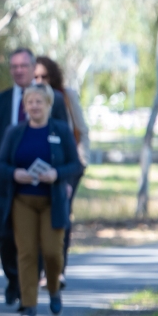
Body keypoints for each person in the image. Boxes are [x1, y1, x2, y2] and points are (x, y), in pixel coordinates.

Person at [0, 47, 69, 309]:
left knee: (38, 242)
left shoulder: (55, 101)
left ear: (33, 68)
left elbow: (66, 144)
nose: (19, 70)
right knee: (5, 235)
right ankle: (13, 279)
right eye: (14, 66)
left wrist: (66, 181)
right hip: (7, 180)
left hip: (46, 187)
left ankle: (27, 291)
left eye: (23, 66)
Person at [0, 83, 83, 316]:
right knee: (27, 253)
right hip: (23, 200)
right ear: (25, 106)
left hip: (52, 200)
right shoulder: (15, 132)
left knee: (53, 252)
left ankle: (53, 287)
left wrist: (57, 174)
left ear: (48, 105)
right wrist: (15, 173)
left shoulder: (61, 131)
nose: (34, 106)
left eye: (38, 102)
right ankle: (29, 305)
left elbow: (76, 164)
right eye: (30, 102)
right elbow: (0, 165)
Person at [34, 56, 90, 283]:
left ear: (53, 76)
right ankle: (40, 269)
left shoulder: (66, 96)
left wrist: (81, 161)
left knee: (61, 213)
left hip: (69, 167)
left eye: (44, 77)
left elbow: (81, 129)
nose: (39, 81)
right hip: (41, 166)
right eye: (35, 77)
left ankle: (58, 271)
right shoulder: (32, 100)